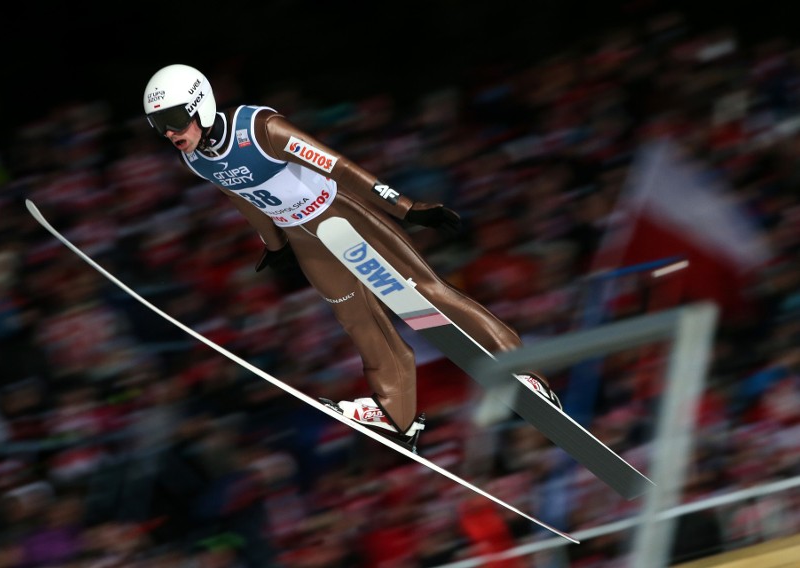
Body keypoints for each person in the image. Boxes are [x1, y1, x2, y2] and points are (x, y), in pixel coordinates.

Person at [142, 64, 560, 448]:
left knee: (424, 294)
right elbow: (242, 197)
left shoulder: (261, 127)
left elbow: (339, 167)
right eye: (158, 124)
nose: (168, 132)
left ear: (202, 105)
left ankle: (525, 371)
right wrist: (274, 244)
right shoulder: (195, 159)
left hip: (339, 215)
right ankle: (398, 412)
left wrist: (406, 207)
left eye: (173, 120)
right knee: (356, 320)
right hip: (305, 240)